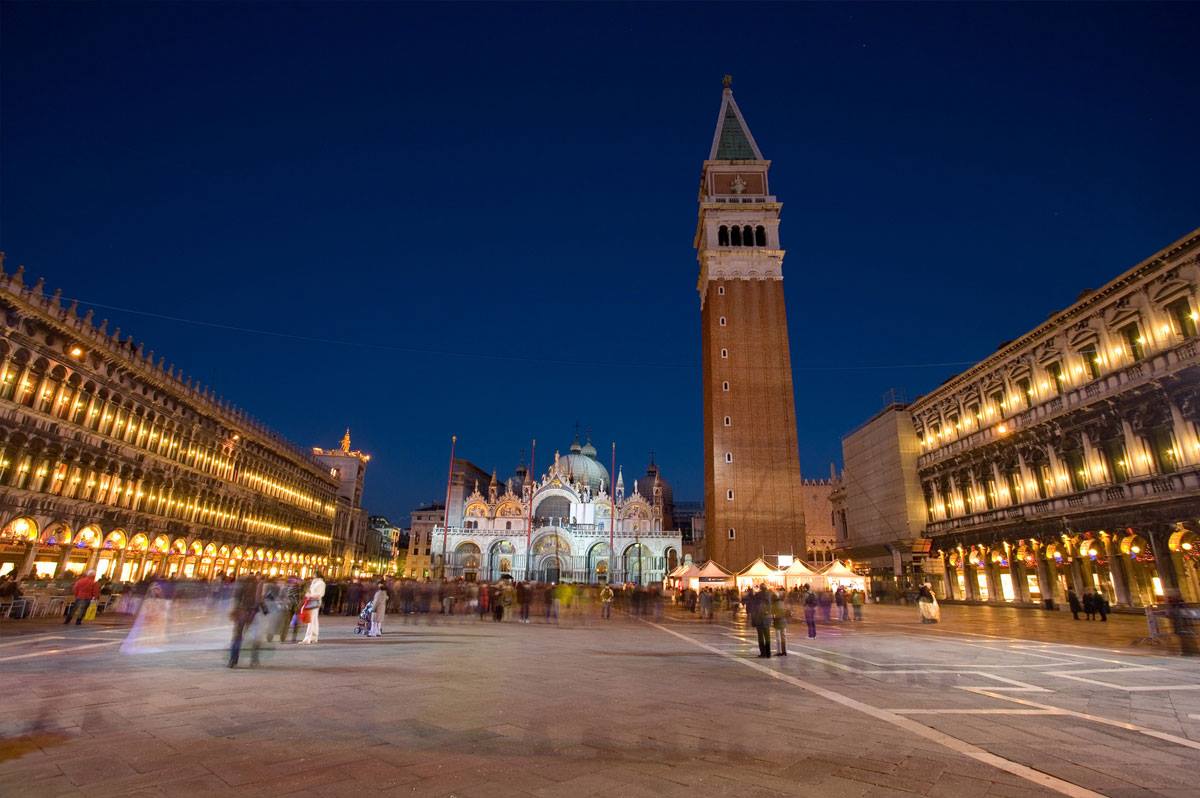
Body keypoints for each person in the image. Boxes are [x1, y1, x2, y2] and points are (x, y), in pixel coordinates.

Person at [229, 574, 263, 668]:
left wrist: (235, 610)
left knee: (237, 637)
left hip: (241, 613)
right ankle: (254, 659)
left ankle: (233, 660)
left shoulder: (239, 586)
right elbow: (259, 600)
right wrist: (264, 610)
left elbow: (235, 599)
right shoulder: (256, 586)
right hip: (252, 613)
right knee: (255, 637)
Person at [300, 571, 326, 644]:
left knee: (311, 620)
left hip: (314, 602)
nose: (313, 576)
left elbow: (320, 594)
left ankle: (308, 638)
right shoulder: (314, 582)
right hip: (311, 601)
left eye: (314, 574)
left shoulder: (321, 583)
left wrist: (310, 595)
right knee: (313, 620)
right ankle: (313, 637)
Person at [751, 585, 773, 658]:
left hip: (759, 618)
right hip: (767, 618)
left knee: (760, 636)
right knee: (767, 636)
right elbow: (771, 607)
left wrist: (753, 620)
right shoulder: (769, 595)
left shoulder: (757, 595)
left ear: (760, 588)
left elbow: (753, 608)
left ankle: (763, 653)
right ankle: (768, 653)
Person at [771, 589, 788, 656]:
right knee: (784, 636)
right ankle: (785, 651)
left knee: (778, 637)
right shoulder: (783, 603)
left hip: (777, 621)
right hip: (784, 621)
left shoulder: (774, 605)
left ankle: (779, 651)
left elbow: (772, 614)